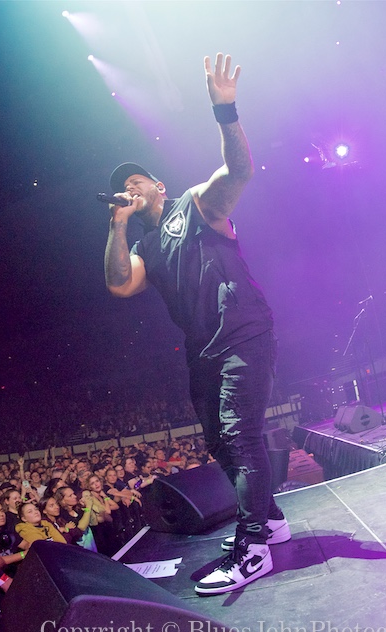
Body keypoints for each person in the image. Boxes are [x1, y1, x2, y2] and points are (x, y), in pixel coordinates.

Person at [103, 52, 290, 595]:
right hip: (202, 350)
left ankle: (254, 546)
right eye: (124, 189)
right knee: (220, 443)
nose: (131, 191)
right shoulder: (140, 245)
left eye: (137, 182)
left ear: (158, 185)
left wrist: (224, 110)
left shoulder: (195, 204)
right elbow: (118, 285)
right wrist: (115, 225)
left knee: (240, 433)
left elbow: (240, 172)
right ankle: (271, 520)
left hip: (243, 334)